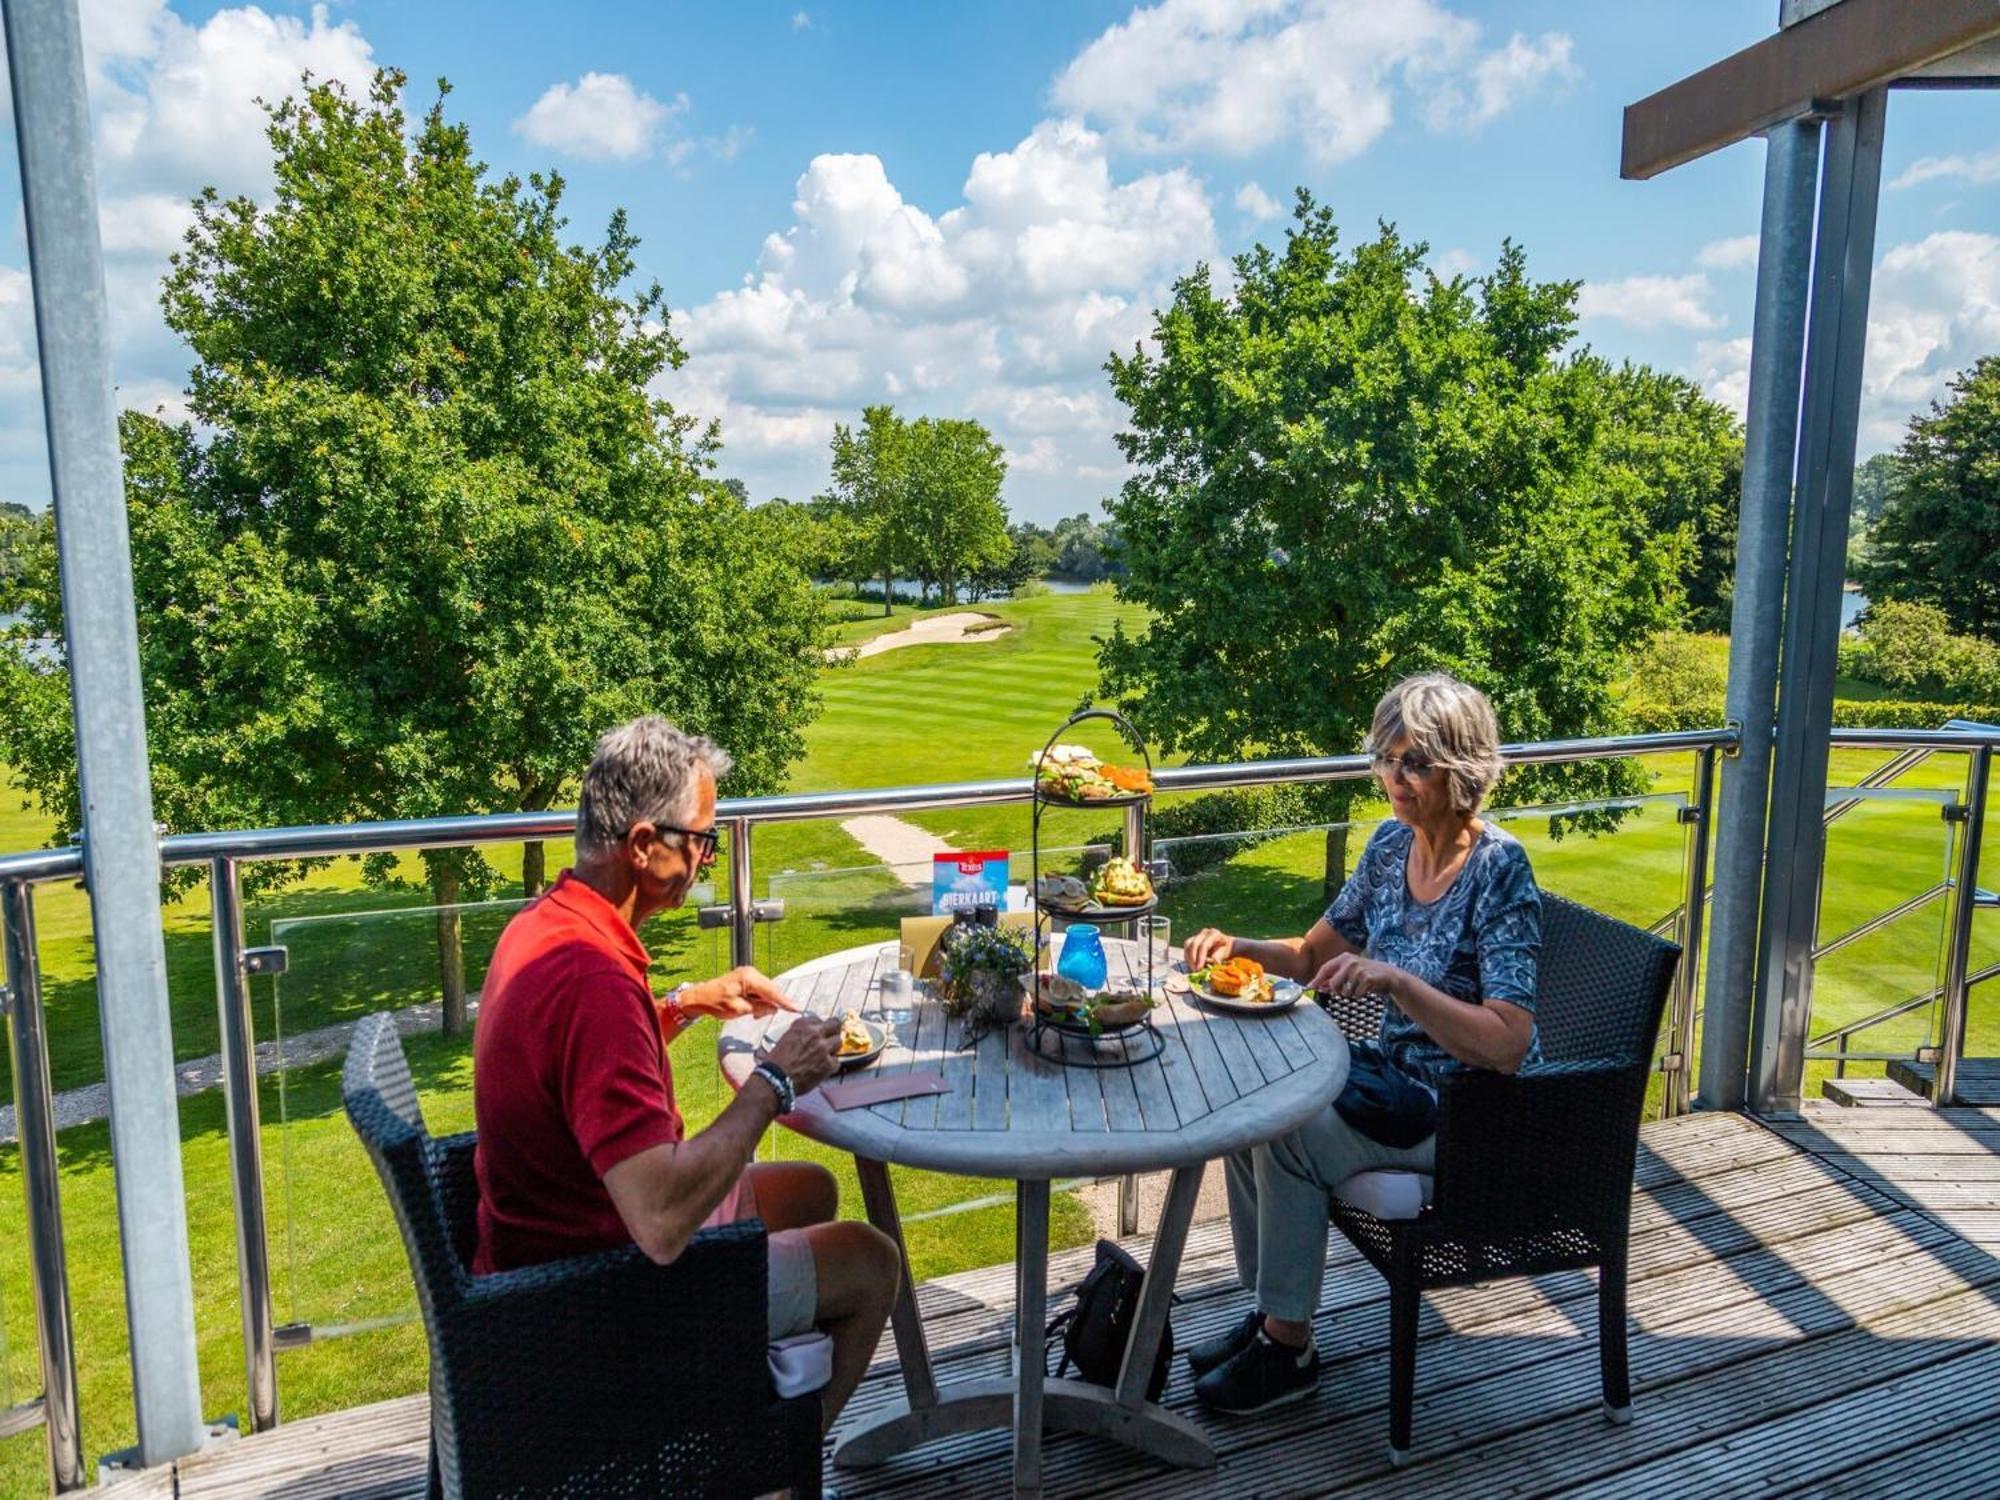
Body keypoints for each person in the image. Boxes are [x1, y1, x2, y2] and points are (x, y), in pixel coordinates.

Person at [471, 715, 900, 1427]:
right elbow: (662, 1220)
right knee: (870, 1260)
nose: (707, 858)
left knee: (811, 1189)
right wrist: (777, 1080)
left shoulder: (548, 926)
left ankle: (725, 1397)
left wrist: (684, 1003)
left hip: (543, 1244)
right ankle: (765, 1468)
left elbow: (581, 1068)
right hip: (595, 1297)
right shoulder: (591, 981)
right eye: (701, 838)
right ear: (643, 845)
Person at [1179, 672, 1542, 1415]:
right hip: (1396, 1086)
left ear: (1463, 769)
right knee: (1252, 1101)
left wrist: (1399, 985)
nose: (1394, 780)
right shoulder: (1388, 846)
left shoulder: (1499, 871)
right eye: (1386, 758)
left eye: (1415, 764)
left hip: (1474, 1113)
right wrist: (1233, 944)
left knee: (1289, 1129)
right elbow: (1311, 958)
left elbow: (1510, 1041)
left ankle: (1288, 1347)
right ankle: (1268, 1312)